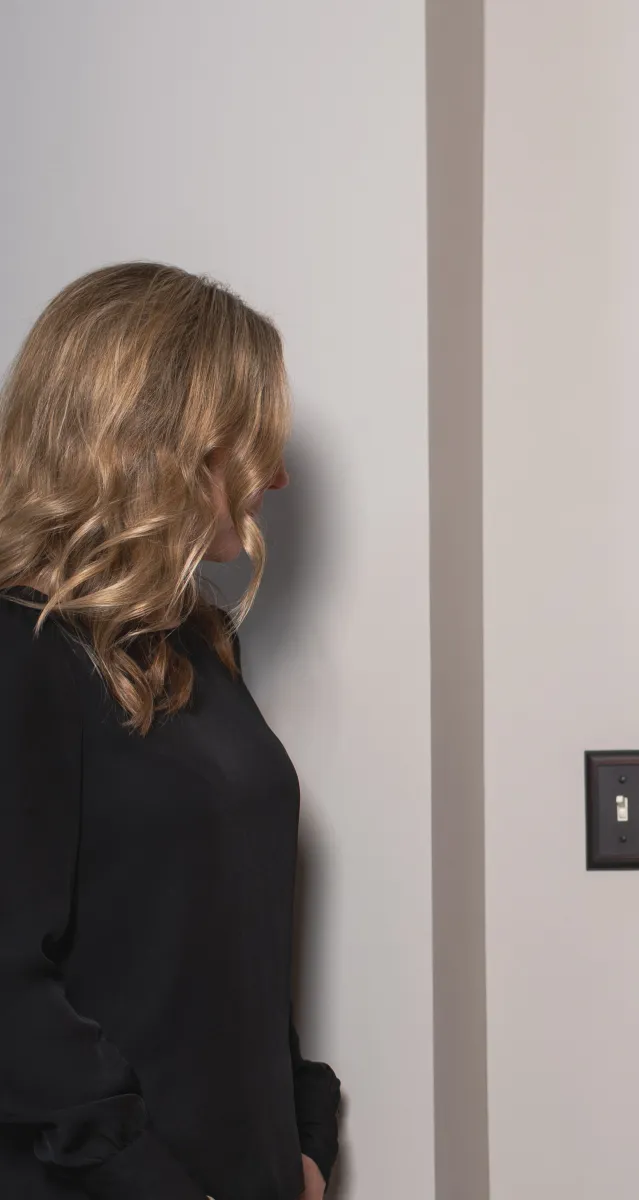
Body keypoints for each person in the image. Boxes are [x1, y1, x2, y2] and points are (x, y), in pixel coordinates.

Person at [0, 263, 341, 1200]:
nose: (273, 475)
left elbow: (223, 933)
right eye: (249, 442)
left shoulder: (199, 641)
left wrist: (303, 1139)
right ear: (161, 443)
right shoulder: (20, 649)